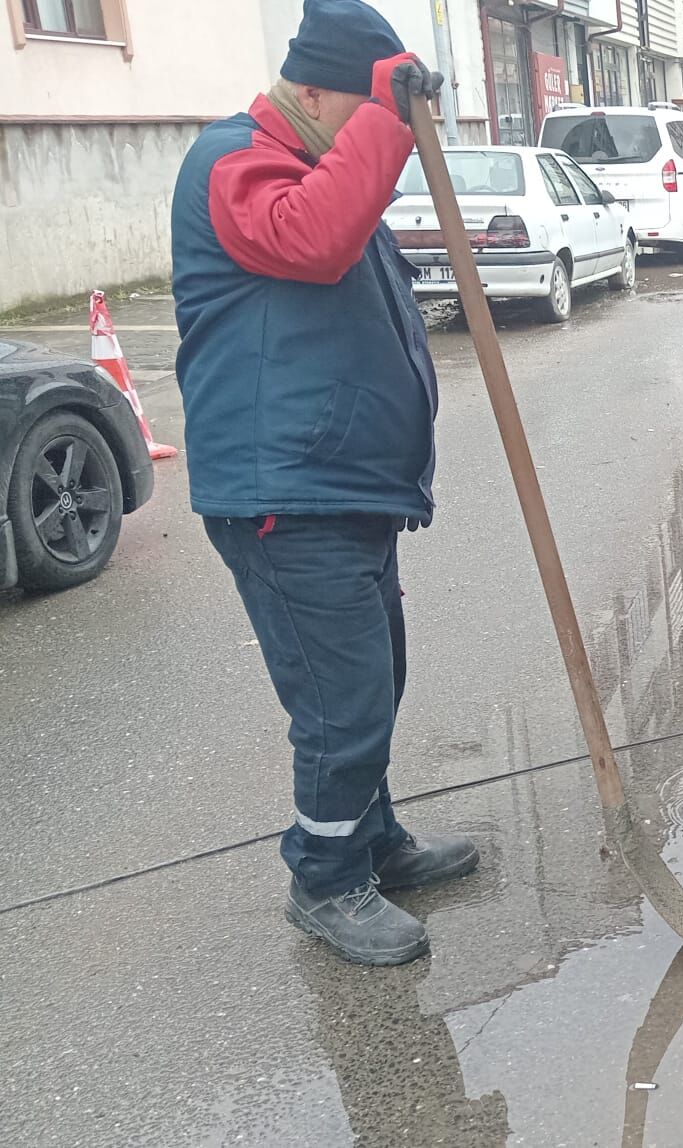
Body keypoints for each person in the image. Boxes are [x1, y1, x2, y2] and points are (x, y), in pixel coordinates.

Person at [171, 0, 467, 966]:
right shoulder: (232, 162)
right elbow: (313, 240)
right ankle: (326, 878)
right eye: (360, 107)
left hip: (341, 489)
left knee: (376, 679)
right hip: (280, 496)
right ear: (308, 91)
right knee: (342, 701)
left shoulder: (318, 164)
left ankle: (370, 840)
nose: (370, 133)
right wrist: (386, 118)